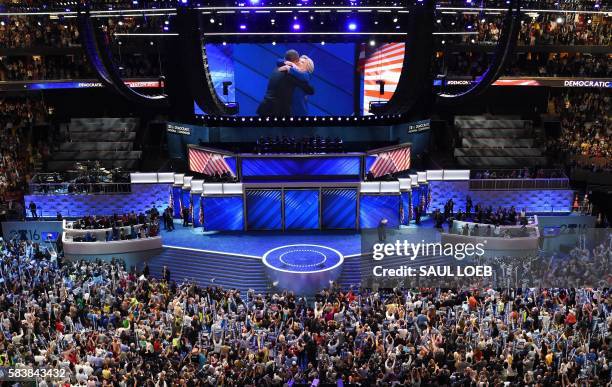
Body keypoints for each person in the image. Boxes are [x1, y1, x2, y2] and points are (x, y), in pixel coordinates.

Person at [257, 49, 314, 116]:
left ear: (308, 68)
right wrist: (288, 64)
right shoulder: (288, 72)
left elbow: (306, 78)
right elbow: (279, 61)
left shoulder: (304, 76)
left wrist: (289, 68)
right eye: (299, 60)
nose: (298, 62)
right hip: (277, 110)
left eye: (302, 62)